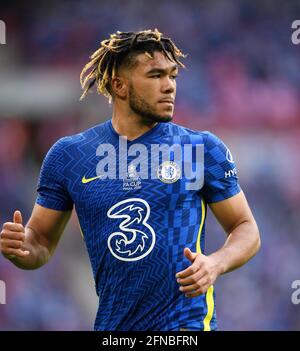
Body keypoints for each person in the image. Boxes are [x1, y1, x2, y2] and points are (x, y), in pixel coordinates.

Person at [0, 29, 260, 331]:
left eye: (172, 76)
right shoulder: (69, 156)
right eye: (155, 76)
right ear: (119, 85)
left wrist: (216, 263)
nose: (169, 87)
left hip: (185, 329)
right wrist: (22, 250)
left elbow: (246, 228)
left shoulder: (201, 150)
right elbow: (41, 243)